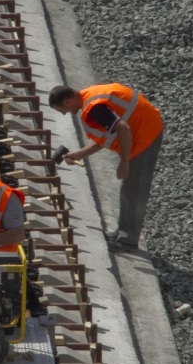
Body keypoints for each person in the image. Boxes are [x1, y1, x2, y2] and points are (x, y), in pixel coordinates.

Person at [49, 83, 164, 253]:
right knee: (129, 188)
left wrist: (124, 162)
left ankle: (128, 240)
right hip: (145, 127)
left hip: (145, 135)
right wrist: (79, 154)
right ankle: (122, 233)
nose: (65, 113)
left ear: (66, 101)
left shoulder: (93, 108)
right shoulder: (90, 95)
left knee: (133, 189)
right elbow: (106, 137)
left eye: (62, 110)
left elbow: (123, 129)